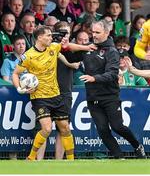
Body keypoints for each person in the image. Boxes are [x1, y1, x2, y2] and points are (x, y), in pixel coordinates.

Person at [12, 25, 96, 160]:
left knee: (65, 129)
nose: (52, 38)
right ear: (40, 37)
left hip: (56, 95)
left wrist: (86, 47)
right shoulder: (28, 56)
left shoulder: (53, 47)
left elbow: (69, 47)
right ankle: (31, 157)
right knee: (46, 129)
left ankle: (71, 160)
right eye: (49, 35)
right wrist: (19, 88)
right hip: (39, 97)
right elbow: (15, 74)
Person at [64, 20, 146, 159]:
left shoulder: (112, 51)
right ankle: (118, 156)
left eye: (97, 32)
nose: (94, 35)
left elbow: (112, 74)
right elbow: (72, 58)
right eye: (93, 32)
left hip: (110, 96)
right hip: (93, 97)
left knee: (117, 126)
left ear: (106, 33)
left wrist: (94, 78)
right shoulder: (89, 47)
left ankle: (137, 146)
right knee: (102, 129)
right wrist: (65, 48)